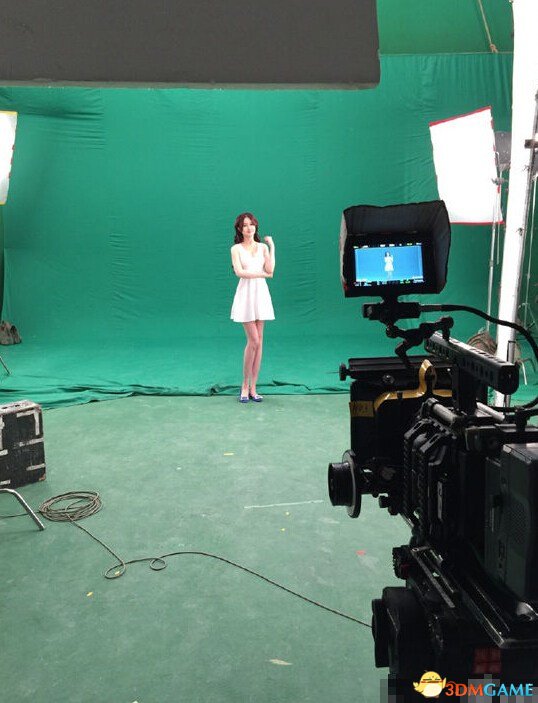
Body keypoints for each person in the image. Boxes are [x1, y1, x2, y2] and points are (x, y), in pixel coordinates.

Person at [230, 212, 275, 403]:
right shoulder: (235, 249)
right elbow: (239, 272)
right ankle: (244, 385)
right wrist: (261, 274)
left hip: (261, 294)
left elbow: (271, 270)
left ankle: (253, 387)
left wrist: (272, 246)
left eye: (252, 225)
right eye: (245, 225)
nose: (249, 228)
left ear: (256, 226)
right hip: (246, 295)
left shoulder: (263, 247)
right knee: (253, 340)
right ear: (240, 229)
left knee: (260, 341)